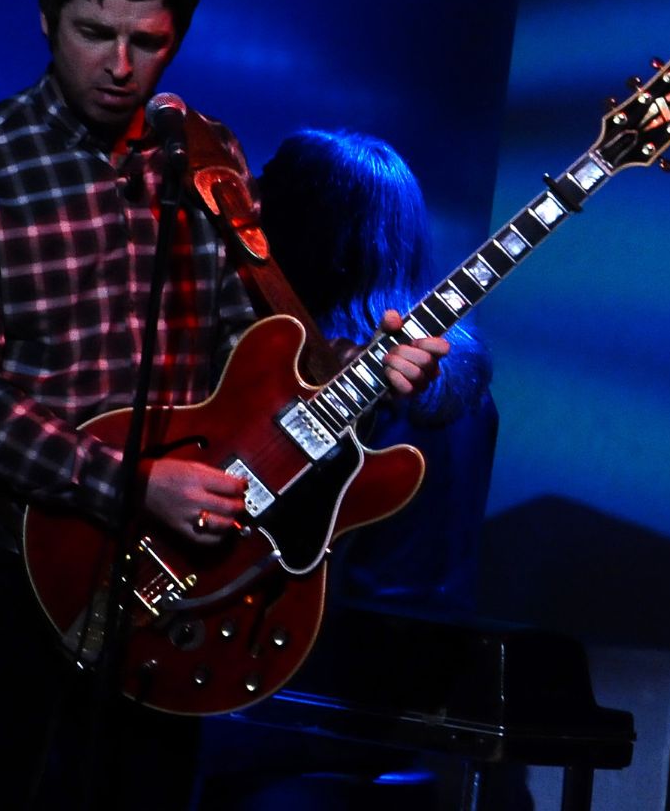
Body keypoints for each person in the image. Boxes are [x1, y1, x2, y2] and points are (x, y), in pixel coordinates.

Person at [0, 0, 447, 809]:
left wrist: (368, 374)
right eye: (93, 33)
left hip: (182, 585)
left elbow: (258, 350)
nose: (119, 65)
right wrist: (130, 484)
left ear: (177, 37)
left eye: (147, 42)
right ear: (45, 17)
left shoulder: (206, 155)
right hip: (8, 576)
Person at [195, 130, 501, 811]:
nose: (250, 213)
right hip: (416, 695)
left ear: (317, 230)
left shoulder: (320, 386)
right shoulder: (458, 377)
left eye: (267, 197)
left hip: (307, 691)